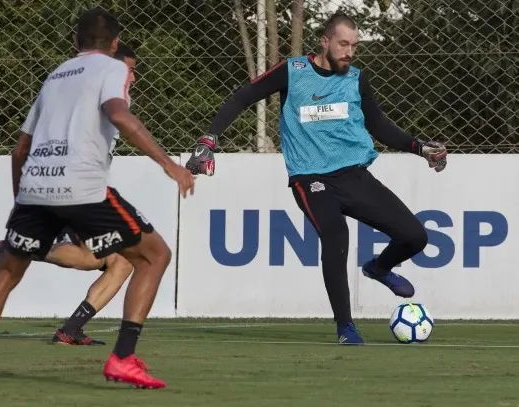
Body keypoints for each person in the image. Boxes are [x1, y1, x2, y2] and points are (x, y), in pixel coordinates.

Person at [0, 7, 194, 389]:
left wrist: (22, 202)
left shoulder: (56, 75)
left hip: (35, 188)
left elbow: (19, 152)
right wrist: (169, 164)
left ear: (73, 41)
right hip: (82, 187)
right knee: (154, 255)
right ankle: (123, 358)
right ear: (115, 43)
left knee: (9, 273)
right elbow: (118, 114)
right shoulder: (113, 68)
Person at [186, 12, 447, 345]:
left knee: (415, 237)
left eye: (354, 45)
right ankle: (345, 327)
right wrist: (209, 140)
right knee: (336, 235)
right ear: (325, 41)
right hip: (310, 178)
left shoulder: (356, 78)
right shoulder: (293, 72)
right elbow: (243, 96)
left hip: (353, 175)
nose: (349, 52)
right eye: (343, 44)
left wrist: (420, 148)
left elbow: (379, 126)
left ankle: (379, 268)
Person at [0, 44, 140, 347]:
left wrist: (22, 201)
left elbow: (21, 149)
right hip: (76, 192)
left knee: (102, 260)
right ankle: (24, 258)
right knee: (128, 259)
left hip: (49, 187)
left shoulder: (64, 92)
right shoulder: (105, 102)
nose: (133, 77)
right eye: (129, 70)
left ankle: (67, 324)